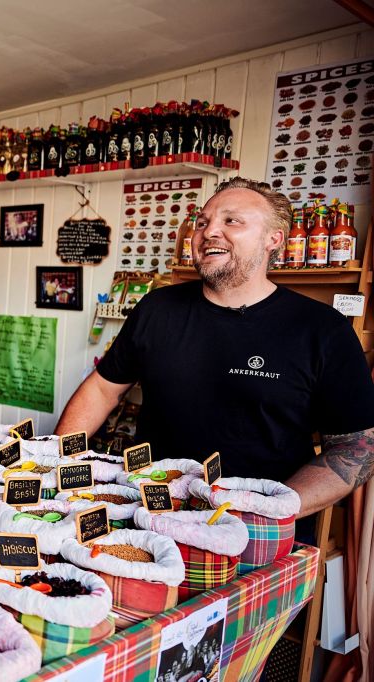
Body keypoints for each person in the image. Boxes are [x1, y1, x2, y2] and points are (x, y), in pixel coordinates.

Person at [56, 178, 374, 517]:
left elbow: (357, 446)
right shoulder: (157, 308)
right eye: (202, 222)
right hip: (149, 514)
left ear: (274, 239)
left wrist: (273, 509)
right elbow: (102, 389)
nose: (208, 232)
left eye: (231, 220)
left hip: (258, 530)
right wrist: (58, 464)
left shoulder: (322, 329)